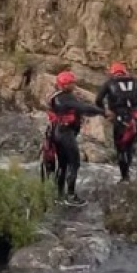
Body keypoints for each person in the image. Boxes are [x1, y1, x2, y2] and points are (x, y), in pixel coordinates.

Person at [46, 71, 107, 207]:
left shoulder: (57, 96)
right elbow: (83, 108)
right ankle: (71, 196)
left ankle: (59, 195)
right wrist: (103, 112)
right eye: (71, 83)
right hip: (65, 134)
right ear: (65, 85)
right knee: (74, 163)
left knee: (62, 165)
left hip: (57, 133)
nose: (74, 85)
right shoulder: (66, 98)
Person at [95, 62, 137, 183]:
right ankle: (131, 164)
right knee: (129, 146)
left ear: (112, 73)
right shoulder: (136, 82)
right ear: (125, 72)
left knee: (120, 148)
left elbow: (98, 100)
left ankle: (124, 176)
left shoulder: (109, 83)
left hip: (120, 119)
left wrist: (105, 112)